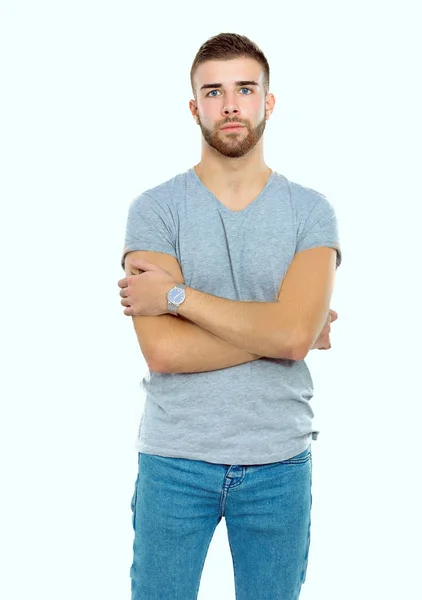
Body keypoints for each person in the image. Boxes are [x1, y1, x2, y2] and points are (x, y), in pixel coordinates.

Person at [117, 32, 342, 600]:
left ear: (269, 101)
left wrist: (177, 298)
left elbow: (292, 337)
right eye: (213, 92)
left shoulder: (310, 212)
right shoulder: (155, 209)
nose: (231, 104)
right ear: (195, 108)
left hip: (278, 464)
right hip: (174, 462)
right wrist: (291, 330)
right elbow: (164, 352)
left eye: (245, 89)